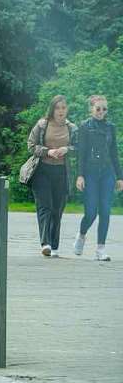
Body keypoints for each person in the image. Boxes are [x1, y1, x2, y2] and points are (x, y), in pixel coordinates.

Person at [74, 95, 122, 261]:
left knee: (105, 211)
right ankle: (81, 234)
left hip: (107, 173)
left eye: (104, 109)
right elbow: (81, 154)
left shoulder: (111, 127)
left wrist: (119, 177)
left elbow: (114, 153)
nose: (102, 112)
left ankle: (100, 249)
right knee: (91, 212)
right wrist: (80, 175)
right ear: (91, 109)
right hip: (90, 173)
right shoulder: (84, 127)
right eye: (98, 108)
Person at [27, 95, 76, 257]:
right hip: (41, 170)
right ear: (52, 109)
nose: (60, 111)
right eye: (57, 108)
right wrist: (48, 151)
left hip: (62, 172)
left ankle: (54, 246)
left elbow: (79, 147)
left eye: (63, 108)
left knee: (57, 210)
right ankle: (45, 243)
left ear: (66, 109)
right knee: (45, 207)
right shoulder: (42, 125)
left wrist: (67, 149)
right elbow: (31, 145)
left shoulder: (72, 128)